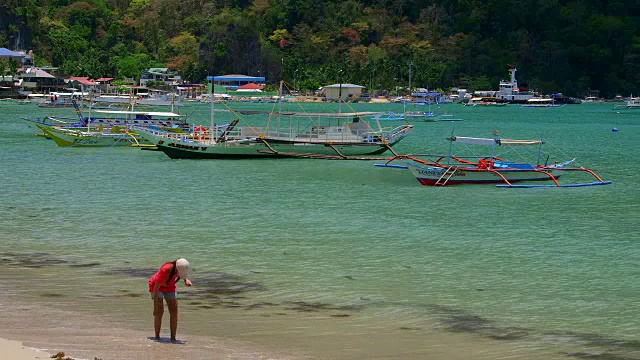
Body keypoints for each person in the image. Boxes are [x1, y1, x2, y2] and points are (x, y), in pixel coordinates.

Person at [148, 258, 192, 342]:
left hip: (170, 286)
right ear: (176, 268)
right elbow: (156, 287)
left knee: (174, 311)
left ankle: (173, 338)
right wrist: (155, 307)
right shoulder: (166, 269)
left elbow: (181, 273)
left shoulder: (180, 266)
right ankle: (157, 337)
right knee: (159, 311)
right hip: (157, 286)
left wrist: (185, 280)